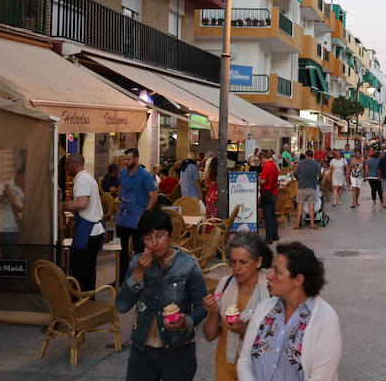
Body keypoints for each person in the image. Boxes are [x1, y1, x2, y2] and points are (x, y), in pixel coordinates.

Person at [116, 208, 207, 381]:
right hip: (142, 349)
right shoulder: (138, 263)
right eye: (148, 238)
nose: (154, 243)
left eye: (159, 235)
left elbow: (202, 307)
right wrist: (138, 274)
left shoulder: (187, 265)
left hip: (178, 349)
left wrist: (185, 322)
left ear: (169, 235)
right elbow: (121, 305)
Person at [237, 242, 342, 381]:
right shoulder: (264, 309)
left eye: (277, 271)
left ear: (298, 280)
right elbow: (245, 360)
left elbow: (322, 376)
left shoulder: (325, 318)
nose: (268, 275)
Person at [202, 232, 273, 381]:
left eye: (243, 262)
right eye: (233, 262)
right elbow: (209, 336)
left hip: (256, 372)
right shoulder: (225, 285)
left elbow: (274, 344)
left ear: (259, 262)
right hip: (225, 369)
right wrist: (213, 313)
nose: (237, 268)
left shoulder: (270, 292)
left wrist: (244, 331)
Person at [62, 154, 105, 292]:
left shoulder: (81, 180)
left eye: (67, 164)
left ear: (75, 164)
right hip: (94, 230)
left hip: (88, 231)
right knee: (89, 270)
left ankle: (79, 302)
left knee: (80, 271)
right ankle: (89, 300)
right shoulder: (88, 178)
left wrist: (61, 205)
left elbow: (82, 203)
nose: (65, 168)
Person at [117, 148, 157, 277]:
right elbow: (121, 189)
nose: (125, 162)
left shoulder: (145, 175)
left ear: (136, 159)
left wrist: (145, 215)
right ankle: (121, 277)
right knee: (120, 249)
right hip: (123, 216)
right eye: (124, 159)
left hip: (138, 216)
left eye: (128, 159)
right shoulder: (122, 173)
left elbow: (153, 196)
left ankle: (140, 277)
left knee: (139, 250)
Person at [0, 165, 25, 244]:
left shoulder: (31, 187)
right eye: (23, 177)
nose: (24, 180)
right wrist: (4, 195)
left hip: (25, 229)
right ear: (17, 175)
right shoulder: (4, 186)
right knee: (9, 255)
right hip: (8, 231)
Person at [294, 151, 322, 230]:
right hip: (312, 188)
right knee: (311, 207)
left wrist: (299, 180)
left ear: (306, 155)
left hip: (302, 187)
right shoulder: (316, 164)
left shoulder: (301, 163)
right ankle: (312, 225)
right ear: (312, 156)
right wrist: (316, 183)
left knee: (299, 207)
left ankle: (296, 225)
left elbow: (295, 173)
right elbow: (320, 177)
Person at [204, 159, 219, 224]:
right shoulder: (220, 174)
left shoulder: (208, 173)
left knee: (210, 216)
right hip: (218, 196)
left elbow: (206, 185)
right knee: (217, 216)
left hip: (210, 196)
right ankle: (217, 230)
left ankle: (209, 230)